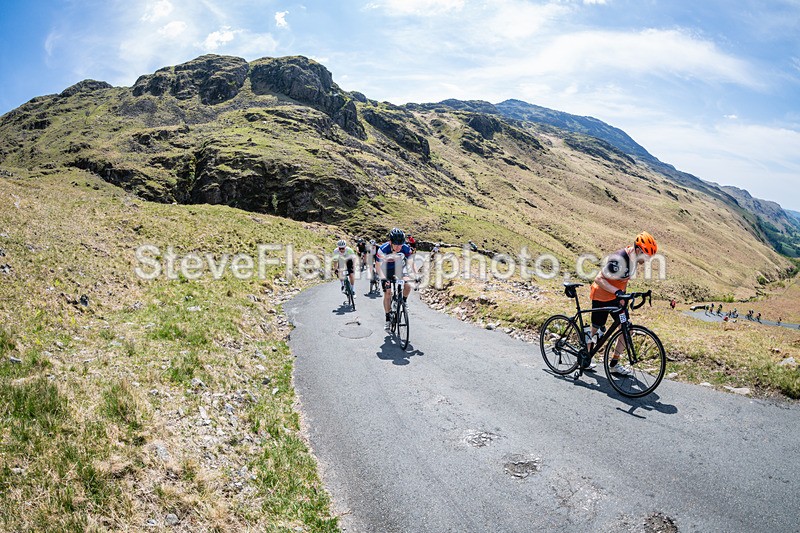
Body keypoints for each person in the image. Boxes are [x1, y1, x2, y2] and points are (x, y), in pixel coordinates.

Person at [585, 231, 658, 374]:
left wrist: (623, 296)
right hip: (601, 296)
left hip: (616, 299)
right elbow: (599, 279)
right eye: (646, 256)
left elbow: (623, 281)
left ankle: (614, 363)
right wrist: (617, 292)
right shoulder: (619, 259)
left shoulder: (635, 260)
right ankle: (585, 357)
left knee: (626, 329)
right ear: (638, 250)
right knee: (595, 328)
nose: (647, 260)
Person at [376, 228, 417, 331]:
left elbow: (412, 262)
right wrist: (384, 279)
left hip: (399, 269)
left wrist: (416, 275)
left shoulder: (406, 248)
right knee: (388, 293)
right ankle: (387, 318)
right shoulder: (383, 249)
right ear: (390, 242)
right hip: (385, 271)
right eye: (396, 244)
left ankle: (404, 300)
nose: (399, 247)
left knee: (408, 284)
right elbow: (377, 267)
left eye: (401, 244)